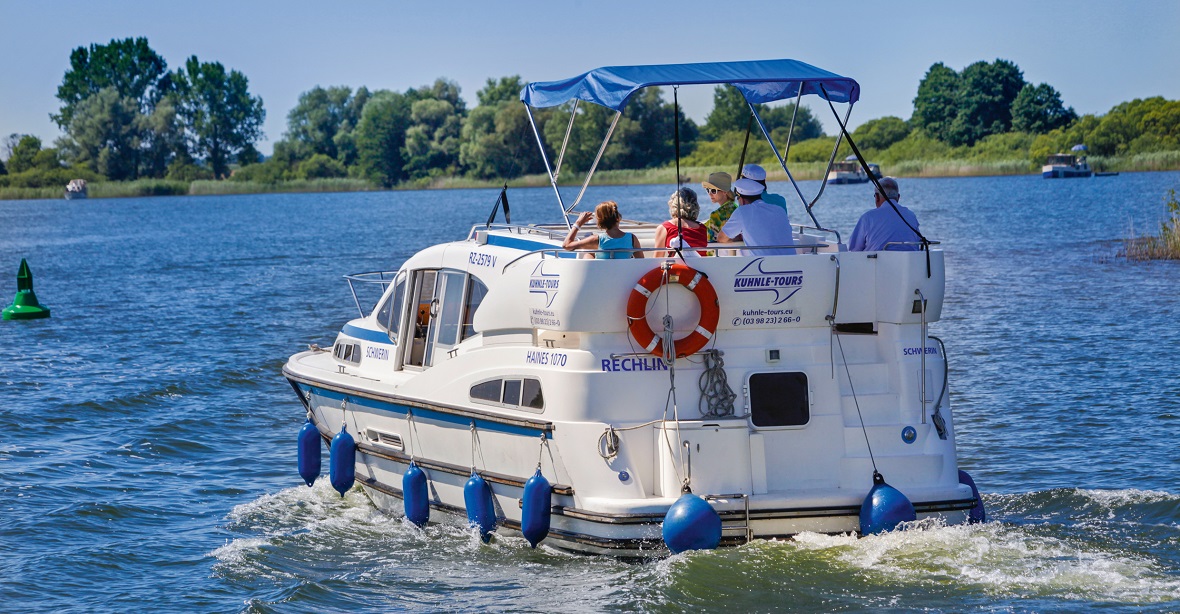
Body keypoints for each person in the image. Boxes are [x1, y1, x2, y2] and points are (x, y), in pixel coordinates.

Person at [716, 178, 795, 256]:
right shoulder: (779, 209)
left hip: (767, 266)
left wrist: (736, 238)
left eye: (738, 198)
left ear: (742, 200)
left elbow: (721, 238)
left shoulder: (743, 211)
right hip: (793, 264)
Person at [848, 177, 921, 251]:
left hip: (875, 262)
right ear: (898, 197)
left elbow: (854, 249)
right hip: (910, 261)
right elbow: (918, 244)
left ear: (877, 197)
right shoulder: (911, 216)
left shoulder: (867, 218)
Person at [562, 200, 643, 259]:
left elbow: (566, 245)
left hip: (603, 277)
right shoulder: (632, 239)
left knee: (589, 254)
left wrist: (578, 224)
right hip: (624, 277)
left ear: (600, 221)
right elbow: (641, 262)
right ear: (618, 218)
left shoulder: (596, 240)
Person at [654, 187, 709, 257]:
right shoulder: (702, 229)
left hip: (677, 267)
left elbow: (657, 260)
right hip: (700, 267)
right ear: (695, 206)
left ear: (673, 205)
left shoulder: (664, 228)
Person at [701, 171, 736, 242]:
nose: (710, 194)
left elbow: (710, 245)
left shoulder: (716, 215)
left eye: (713, 191)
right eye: (708, 190)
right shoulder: (736, 208)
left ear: (724, 192)